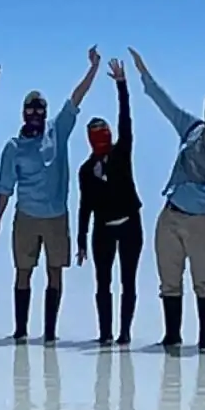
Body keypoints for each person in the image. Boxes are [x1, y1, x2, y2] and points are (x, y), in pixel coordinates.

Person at [130, 48, 205, 351]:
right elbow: (165, 104)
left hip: (203, 223)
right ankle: (172, 336)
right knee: (169, 281)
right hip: (170, 215)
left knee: (203, 281)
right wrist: (144, 74)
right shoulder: (192, 129)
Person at [0, 49, 102, 343]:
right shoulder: (13, 147)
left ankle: (50, 333)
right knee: (23, 272)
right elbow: (4, 188)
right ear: (23, 112)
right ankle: (20, 331)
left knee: (55, 272)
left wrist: (93, 68)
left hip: (56, 217)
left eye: (40, 109)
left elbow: (76, 99)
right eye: (31, 109)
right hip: (26, 217)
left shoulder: (58, 130)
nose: (36, 114)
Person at [74, 59, 144, 346]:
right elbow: (84, 207)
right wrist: (80, 241)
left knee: (128, 280)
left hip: (130, 225)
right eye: (96, 135)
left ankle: (124, 332)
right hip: (102, 229)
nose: (102, 138)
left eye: (105, 134)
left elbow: (126, 120)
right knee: (103, 282)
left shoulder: (121, 153)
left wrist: (122, 85)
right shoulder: (86, 170)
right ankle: (105, 333)